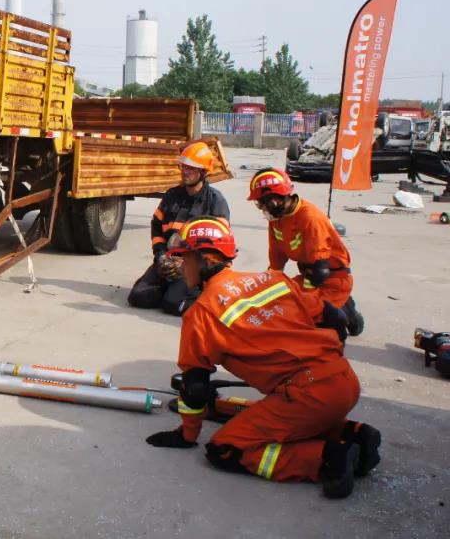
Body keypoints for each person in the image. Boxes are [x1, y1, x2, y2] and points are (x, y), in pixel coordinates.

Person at [144, 217, 381, 499]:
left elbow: (195, 388)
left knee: (225, 448)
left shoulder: (202, 313)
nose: (182, 267)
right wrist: (330, 359)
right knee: (292, 420)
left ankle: (328, 458)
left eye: (185, 259)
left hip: (307, 397)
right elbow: (335, 317)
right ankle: (356, 434)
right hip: (344, 382)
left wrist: (187, 435)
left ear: (205, 260)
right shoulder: (272, 280)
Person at [247, 168, 363, 336]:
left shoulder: (310, 218)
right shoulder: (277, 217)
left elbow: (319, 272)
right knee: (279, 302)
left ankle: (343, 314)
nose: (261, 208)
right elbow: (276, 257)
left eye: (261, 203)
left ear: (274, 199)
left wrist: (306, 302)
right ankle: (338, 306)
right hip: (309, 274)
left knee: (305, 317)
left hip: (332, 278)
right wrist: (268, 286)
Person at [128, 141, 230, 315]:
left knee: (173, 304)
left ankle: (204, 294)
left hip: (194, 267)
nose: (184, 172)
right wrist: (161, 257)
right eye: (183, 167)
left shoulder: (215, 201)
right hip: (168, 261)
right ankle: (173, 291)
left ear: (203, 172)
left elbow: (219, 248)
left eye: (190, 168)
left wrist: (188, 263)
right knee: (137, 296)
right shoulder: (172, 195)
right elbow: (157, 229)